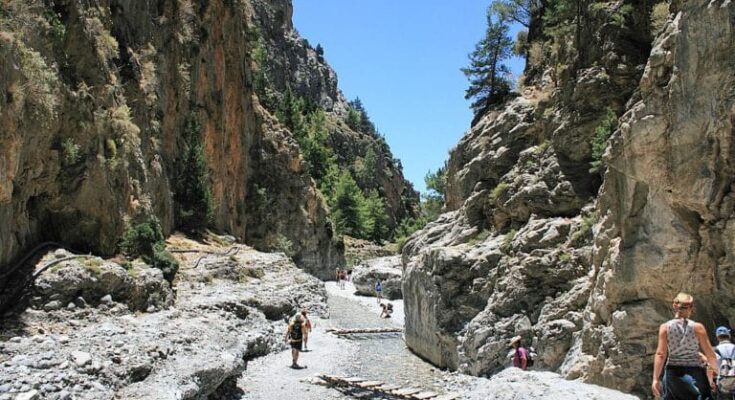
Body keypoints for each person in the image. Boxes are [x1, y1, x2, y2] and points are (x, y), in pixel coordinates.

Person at [652, 292, 717, 399]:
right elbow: (710, 354)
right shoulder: (698, 328)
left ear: (674, 306)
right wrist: (716, 371)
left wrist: (655, 379)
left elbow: (660, 354)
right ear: (691, 307)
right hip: (695, 373)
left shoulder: (665, 328)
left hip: (672, 373)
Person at [714, 326, 735, 399]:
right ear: (729, 336)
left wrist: (711, 382)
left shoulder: (715, 350)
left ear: (717, 337)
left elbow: (711, 367)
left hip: (723, 381)